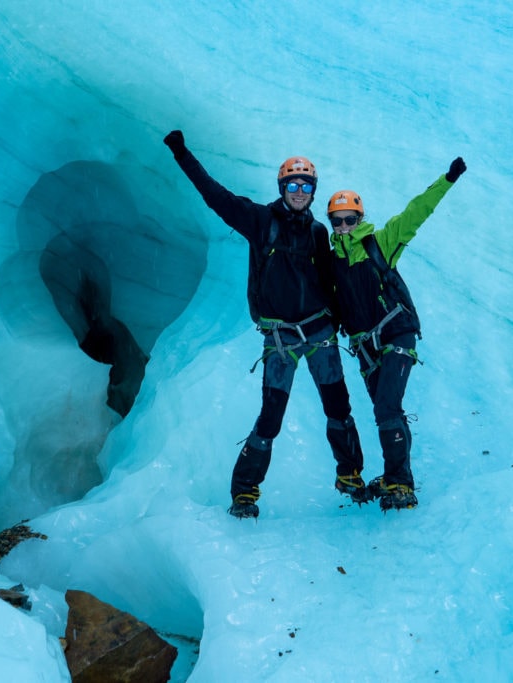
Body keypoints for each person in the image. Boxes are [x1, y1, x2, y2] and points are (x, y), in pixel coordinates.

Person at [163, 130, 367, 519]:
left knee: (338, 407)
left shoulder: (318, 232)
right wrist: (181, 152)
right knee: (270, 418)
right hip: (281, 340)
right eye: (293, 183)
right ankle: (244, 493)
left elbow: (331, 282)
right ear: (282, 185)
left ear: (313, 190)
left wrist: (350, 325)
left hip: (320, 333)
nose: (299, 191)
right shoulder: (260, 221)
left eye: (306, 184)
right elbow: (215, 196)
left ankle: (351, 475)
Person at [325, 156, 467, 512]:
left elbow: (416, 213)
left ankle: (401, 484)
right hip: (365, 348)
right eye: (337, 221)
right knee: (386, 410)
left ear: (360, 218)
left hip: (397, 334)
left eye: (350, 219)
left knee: (387, 406)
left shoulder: (380, 243)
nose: (343, 226)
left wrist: (446, 180)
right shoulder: (331, 262)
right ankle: (396, 477)